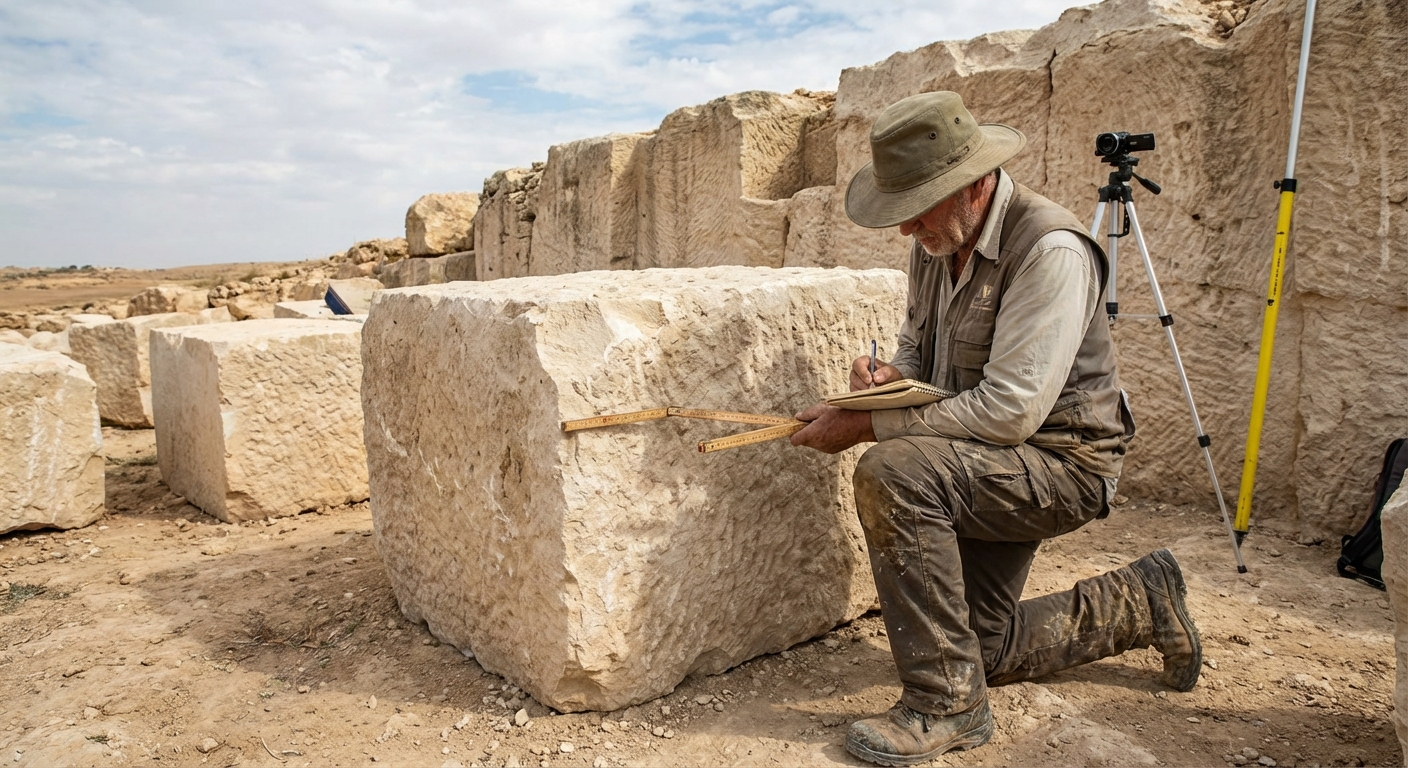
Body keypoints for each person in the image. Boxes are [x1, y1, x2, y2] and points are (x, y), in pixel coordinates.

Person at [789, 91, 1201, 766]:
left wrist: (869, 424)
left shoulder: (1050, 249)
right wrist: (883, 380)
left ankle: (945, 707)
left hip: (1063, 464)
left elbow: (1011, 409)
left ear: (973, 185)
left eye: (915, 209)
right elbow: (921, 357)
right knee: (978, 649)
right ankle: (1140, 600)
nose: (903, 232)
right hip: (981, 461)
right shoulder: (937, 240)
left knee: (891, 473)